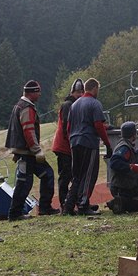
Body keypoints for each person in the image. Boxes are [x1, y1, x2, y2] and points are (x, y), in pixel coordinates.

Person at [5, 80, 59, 221]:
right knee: (27, 182)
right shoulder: (26, 107)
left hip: (24, 152)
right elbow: (28, 130)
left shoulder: (19, 105)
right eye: (38, 92)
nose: (40, 94)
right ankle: (17, 213)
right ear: (32, 93)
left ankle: (42, 209)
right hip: (27, 153)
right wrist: (37, 150)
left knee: (42, 176)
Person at [63, 78, 112, 215]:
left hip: (74, 141)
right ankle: (83, 205)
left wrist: (71, 140)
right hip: (88, 142)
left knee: (77, 175)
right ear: (95, 88)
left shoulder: (74, 105)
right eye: (98, 89)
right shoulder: (95, 103)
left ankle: (69, 205)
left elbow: (68, 126)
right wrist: (107, 144)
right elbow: (98, 125)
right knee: (89, 174)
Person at [51, 79, 84, 211]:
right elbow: (66, 126)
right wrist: (72, 142)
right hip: (64, 147)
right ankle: (64, 203)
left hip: (69, 147)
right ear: (72, 92)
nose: (80, 95)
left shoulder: (76, 105)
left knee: (73, 175)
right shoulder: (67, 105)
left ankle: (73, 202)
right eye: (78, 92)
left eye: (82, 92)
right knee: (65, 176)